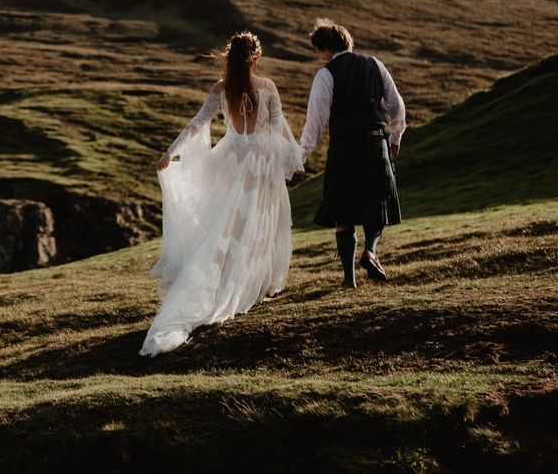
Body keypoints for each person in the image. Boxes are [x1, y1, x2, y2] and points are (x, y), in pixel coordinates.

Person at [140, 31, 303, 357]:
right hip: (260, 161)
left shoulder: (221, 88)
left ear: (229, 57)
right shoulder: (268, 87)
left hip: (231, 158)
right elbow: (277, 125)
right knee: (259, 221)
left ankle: (231, 276)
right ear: (256, 58)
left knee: (226, 222)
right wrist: (294, 157)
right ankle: (251, 282)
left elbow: (198, 124)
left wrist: (170, 153)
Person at [300, 18, 406, 288]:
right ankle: (370, 252)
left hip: (344, 145)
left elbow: (316, 121)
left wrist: (301, 156)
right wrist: (395, 137)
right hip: (375, 142)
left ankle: (349, 279)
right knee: (376, 205)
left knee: (344, 212)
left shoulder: (326, 74)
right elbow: (396, 105)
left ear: (325, 49)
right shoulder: (375, 64)